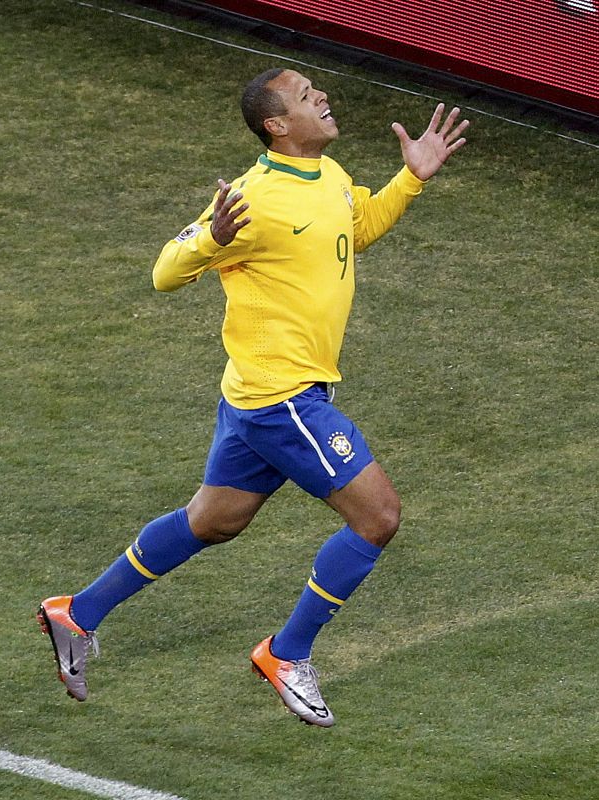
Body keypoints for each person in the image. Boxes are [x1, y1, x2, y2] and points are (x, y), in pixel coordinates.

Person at [37, 67, 468, 727]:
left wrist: (410, 179)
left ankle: (78, 612)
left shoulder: (327, 175)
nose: (321, 96)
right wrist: (213, 238)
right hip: (283, 399)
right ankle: (285, 654)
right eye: (305, 96)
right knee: (377, 517)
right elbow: (163, 272)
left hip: (259, 398)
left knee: (213, 522)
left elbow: (356, 229)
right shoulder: (250, 198)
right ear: (276, 124)